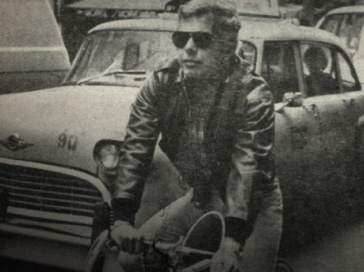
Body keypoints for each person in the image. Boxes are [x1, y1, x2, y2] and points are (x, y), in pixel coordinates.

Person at [110, 0, 283, 271]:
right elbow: (136, 147)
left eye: (202, 39)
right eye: (181, 38)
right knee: (131, 258)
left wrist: (233, 241)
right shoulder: (161, 82)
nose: (188, 48)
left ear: (227, 48)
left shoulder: (253, 94)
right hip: (203, 195)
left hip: (253, 206)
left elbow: (247, 170)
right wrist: (120, 219)